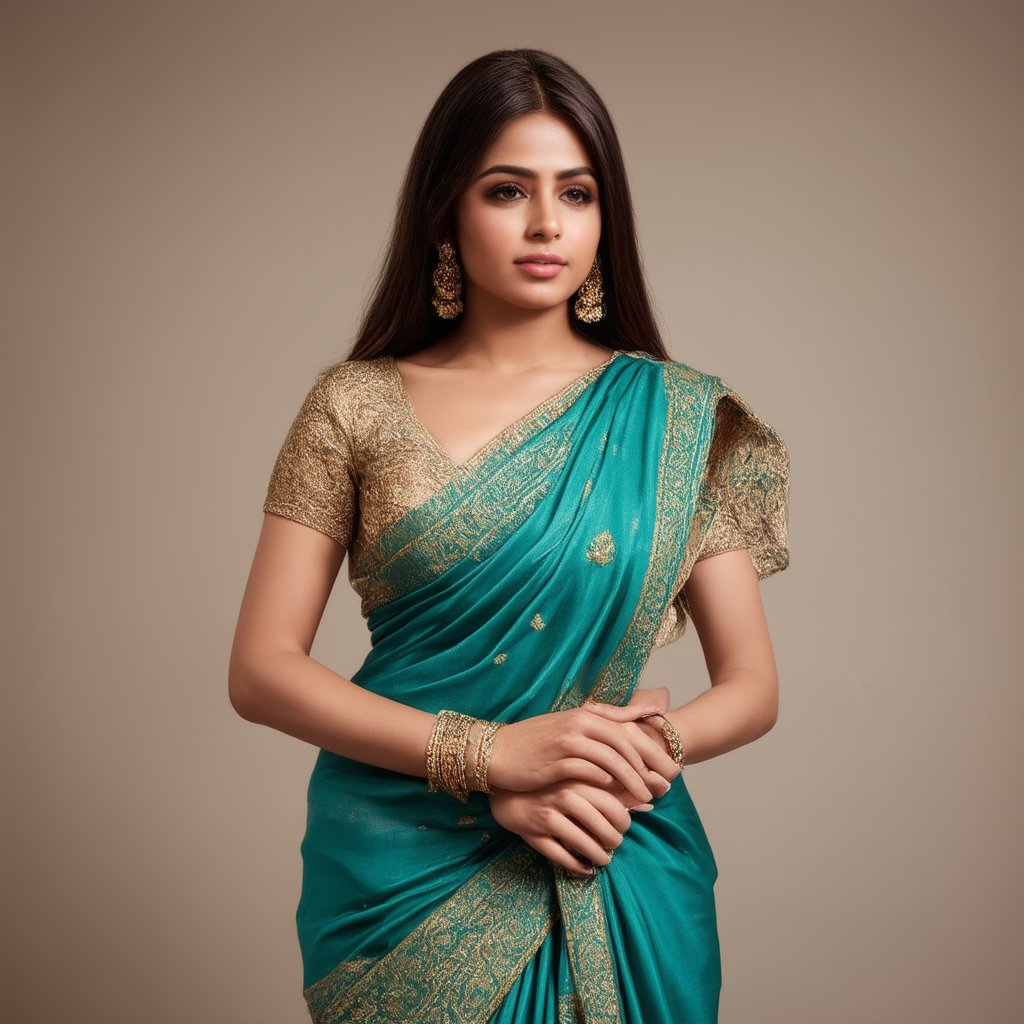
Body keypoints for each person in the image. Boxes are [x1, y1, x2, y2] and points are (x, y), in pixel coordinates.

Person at [228, 47, 789, 1024]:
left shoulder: (674, 417)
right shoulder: (353, 406)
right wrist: (490, 760)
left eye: (575, 192)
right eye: (505, 190)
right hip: (399, 864)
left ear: (604, 216)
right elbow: (263, 669)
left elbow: (751, 685)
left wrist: (629, 750)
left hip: (613, 845)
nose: (545, 224)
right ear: (445, 209)